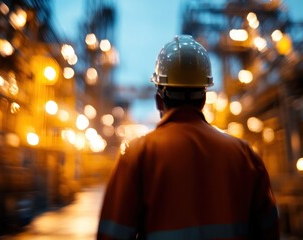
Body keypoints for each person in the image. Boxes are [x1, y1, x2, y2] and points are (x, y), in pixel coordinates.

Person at [97, 35, 280, 240]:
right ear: (203, 98)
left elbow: (111, 234)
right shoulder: (245, 155)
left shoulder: (138, 155)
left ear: (159, 101)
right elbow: (269, 230)